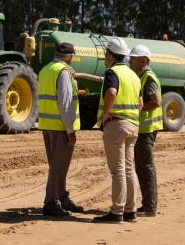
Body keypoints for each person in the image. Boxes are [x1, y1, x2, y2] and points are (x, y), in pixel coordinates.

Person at [92, 38, 143, 224]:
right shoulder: (134, 76)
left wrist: (106, 114)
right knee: (130, 169)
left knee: (118, 170)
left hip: (116, 124)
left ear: (110, 54)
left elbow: (111, 92)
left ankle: (116, 212)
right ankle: (131, 211)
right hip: (133, 125)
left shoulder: (113, 72)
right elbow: (140, 103)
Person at [38, 42, 83, 217]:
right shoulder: (63, 73)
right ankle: (51, 203)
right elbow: (66, 104)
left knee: (57, 165)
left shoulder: (46, 70)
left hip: (47, 125)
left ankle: (62, 198)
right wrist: (70, 131)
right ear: (71, 57)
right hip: (60, 126)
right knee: (58, 167)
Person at [129, 44, 163, 217]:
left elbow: (156, 102)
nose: (130, 60)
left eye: (133, 58)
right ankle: (148, 205)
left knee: (145, 167)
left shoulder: (148, 77)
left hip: (146, 129)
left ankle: (149, 207)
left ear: (143, 60)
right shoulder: (140, 76)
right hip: (143, 128)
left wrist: (138, 108)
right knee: (142, 166)